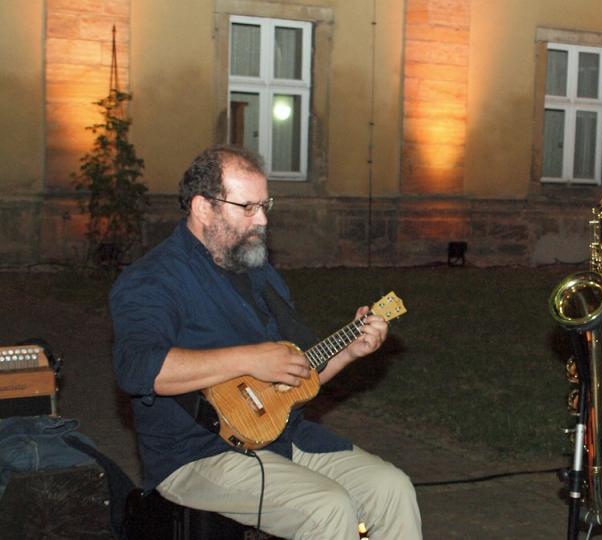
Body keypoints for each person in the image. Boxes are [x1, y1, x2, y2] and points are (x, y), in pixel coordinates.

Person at [111, 145, 422, 539]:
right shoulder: (152, 279)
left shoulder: (258, 272)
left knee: (391, 488)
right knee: (327, 508)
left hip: (283, 436)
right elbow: (138, 368)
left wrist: (350, 351)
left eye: (264, 205)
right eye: (247, 207)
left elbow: (297, 376)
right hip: (195, 454)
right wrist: (248, 360)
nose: (261, 220)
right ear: (203, 207)